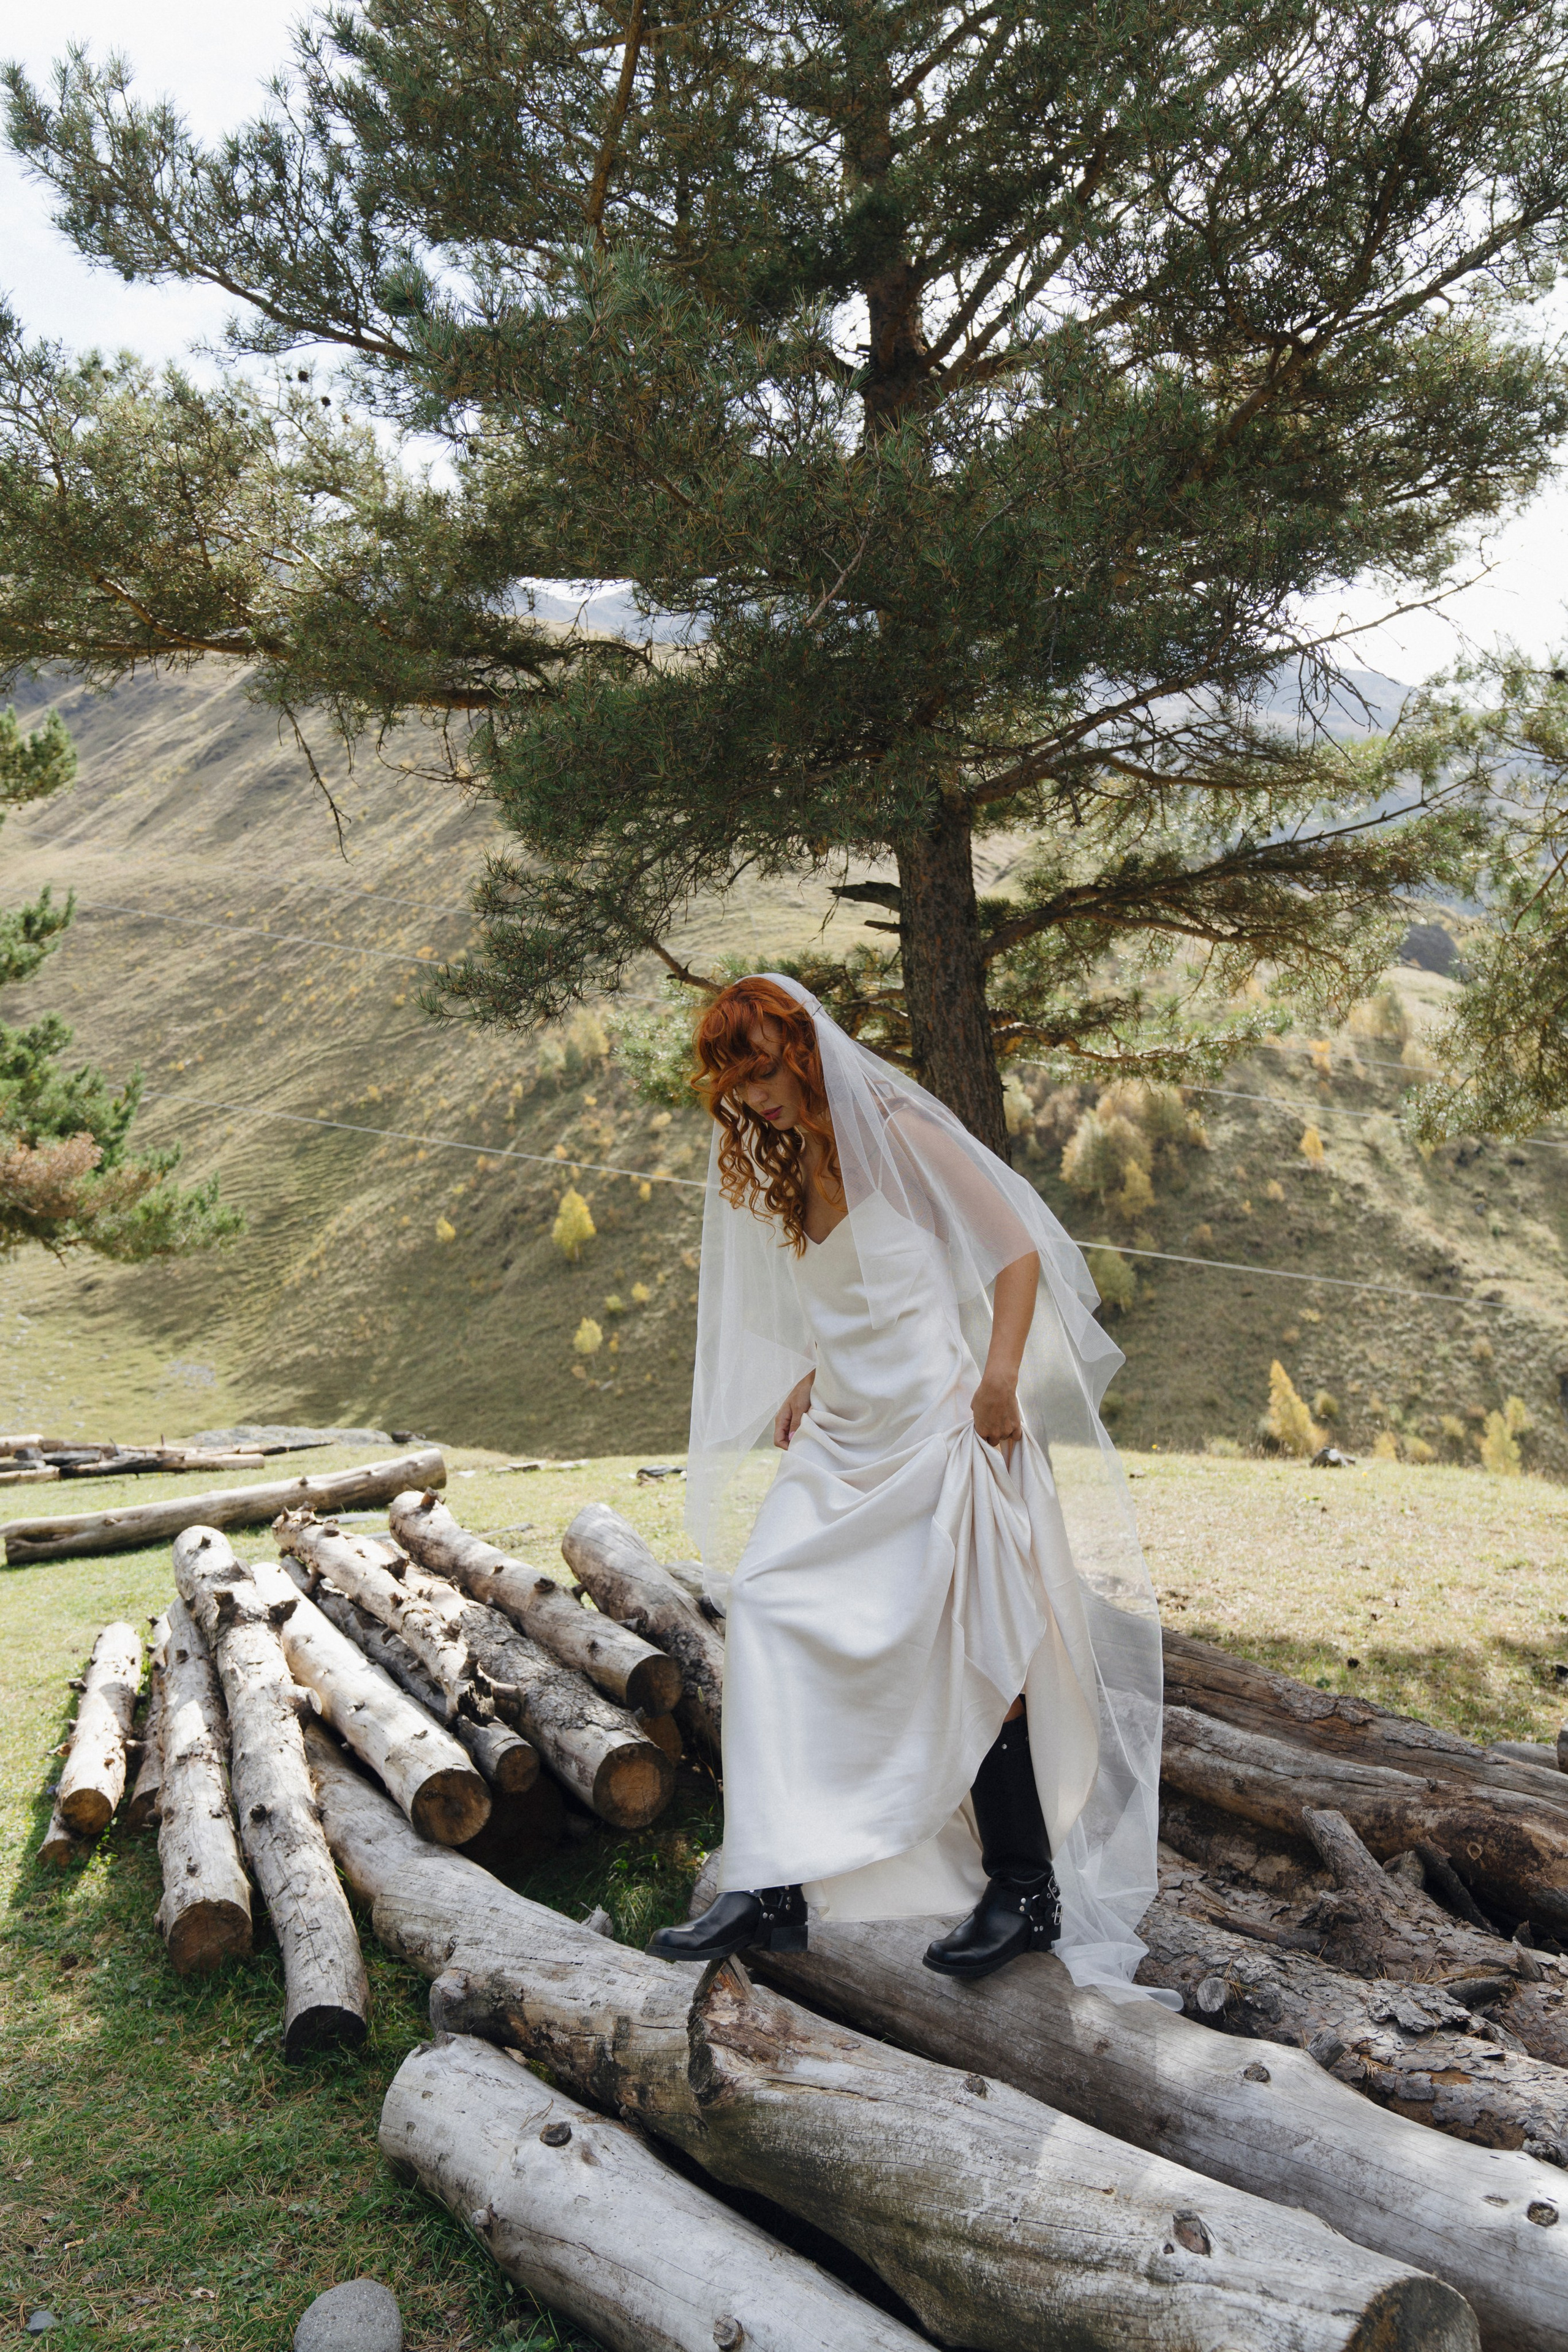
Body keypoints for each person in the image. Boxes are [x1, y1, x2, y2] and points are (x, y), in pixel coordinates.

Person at [650, 975, 1170, 2003]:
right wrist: (809, 1370)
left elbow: (1017, 1252)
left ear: (801, 1050)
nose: (753, 1095)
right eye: (737, 1078)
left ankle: (1024, 1890)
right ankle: (775, 1883)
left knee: (969, 1638)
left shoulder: (900, 1133)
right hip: (843, 1438)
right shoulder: (791, 1159)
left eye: (764, 1068)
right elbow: (850, 1299)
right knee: (766, 1606)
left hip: (942, 1427)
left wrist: (1000, 1381)